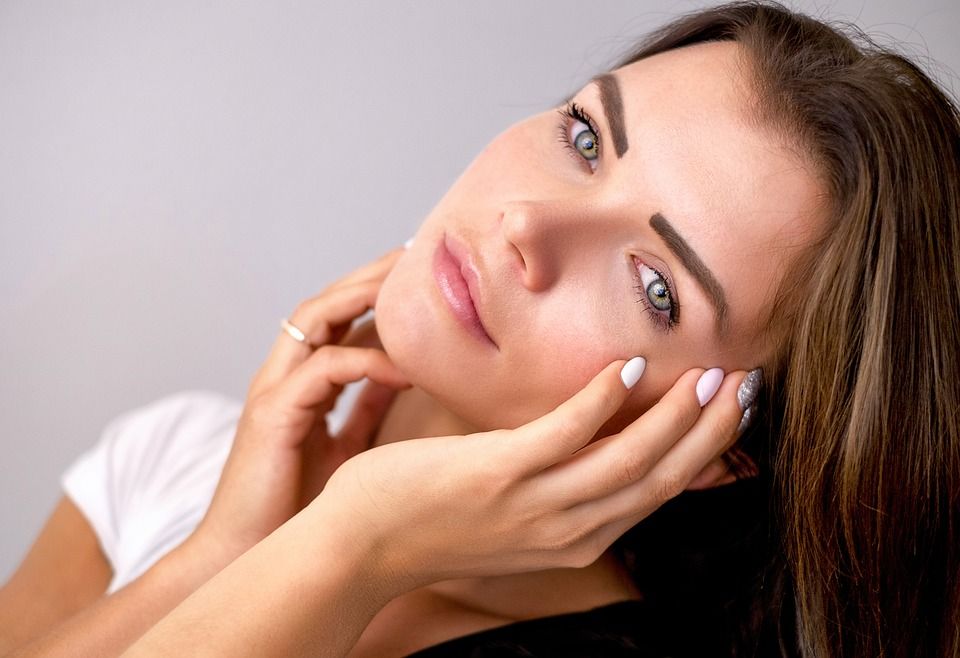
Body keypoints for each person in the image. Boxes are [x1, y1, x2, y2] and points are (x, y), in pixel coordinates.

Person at [1, 1, 958, 656]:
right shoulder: (182, 453)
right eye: (586, 138)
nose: (528, 227)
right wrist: (211, 559)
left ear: (718, 448)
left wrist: (360, 543)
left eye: (657, 287)